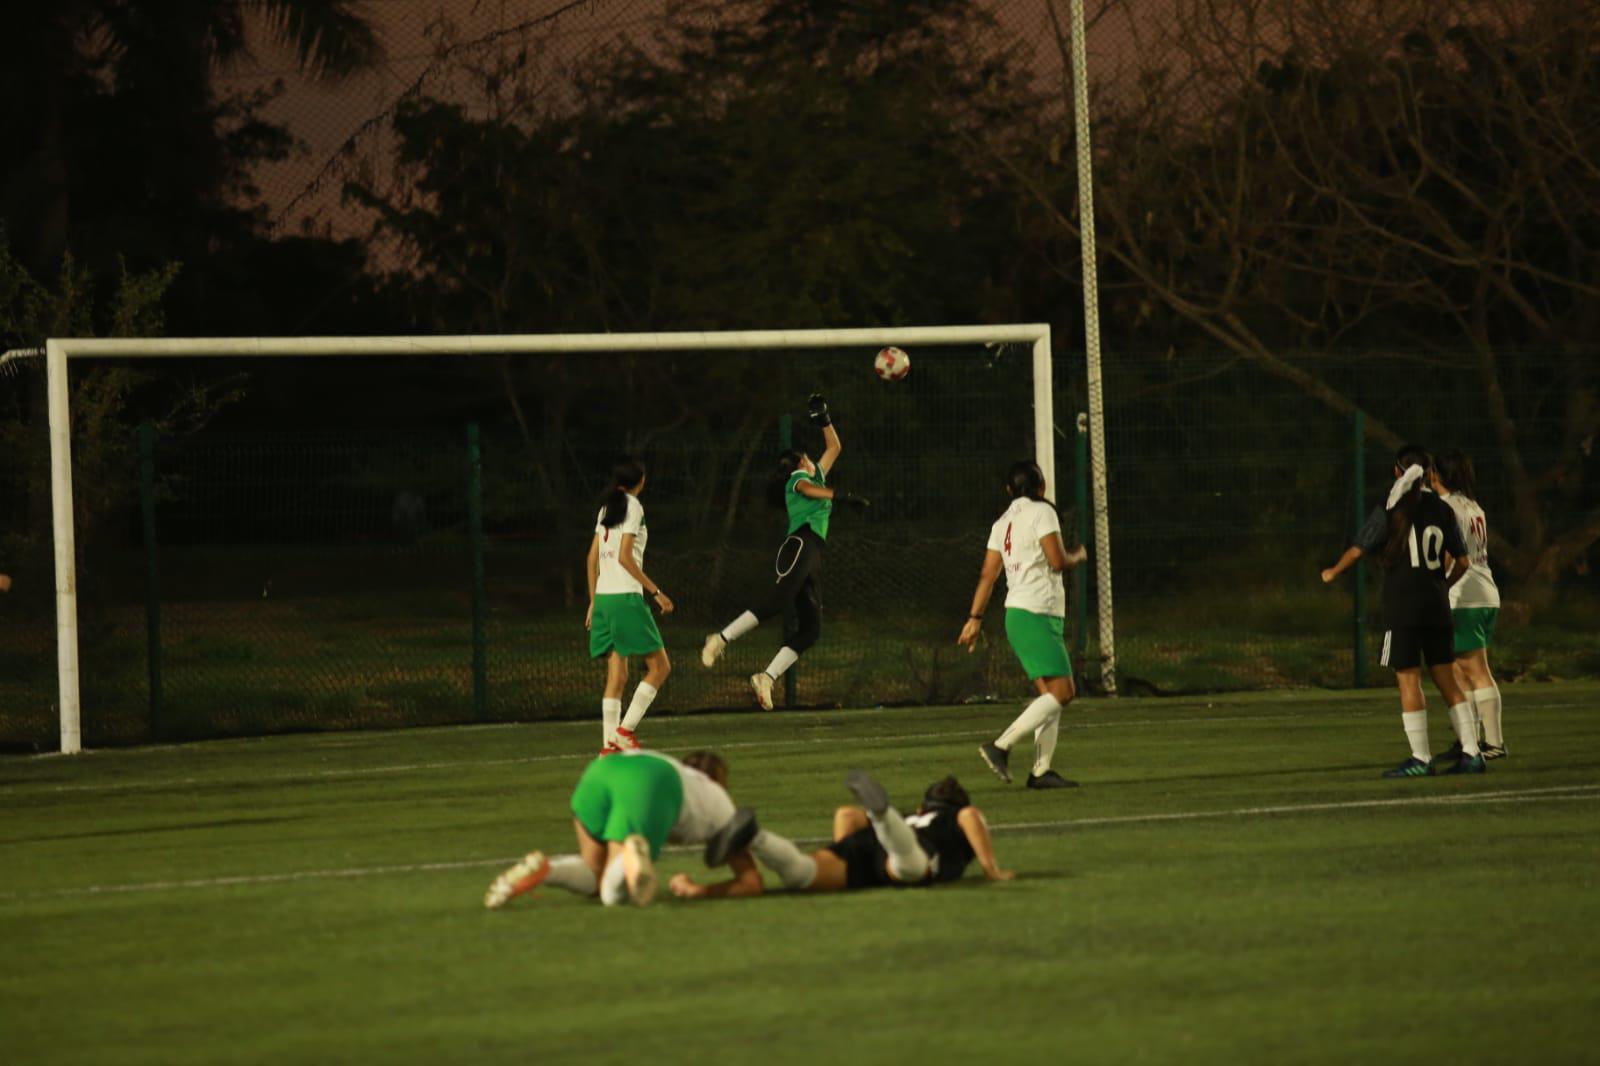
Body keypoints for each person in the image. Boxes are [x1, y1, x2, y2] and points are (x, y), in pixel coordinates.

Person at [1321, 445, 1483, 777]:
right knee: (1446, 678)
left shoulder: (1392, 506)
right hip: (1436, 606)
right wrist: (1442, 585)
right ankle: (1472, 752)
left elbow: (1359, 547)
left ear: (1398, 472)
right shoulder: (1442, 508)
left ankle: (1421, 759)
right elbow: (1463, 562)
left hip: (1404, 607)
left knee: (1408, 680)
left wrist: (1333, 572)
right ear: (1428, 475)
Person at [700, 394, 868, 710]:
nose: (810, 461)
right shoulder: (797, 480)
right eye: (805, 458)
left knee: (811, 630)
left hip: (814, 552)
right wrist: (840, 496)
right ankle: (719, 639)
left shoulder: (815, 474)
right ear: (798, 464)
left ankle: (767, 676)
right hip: (800, 544)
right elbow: (809, 490)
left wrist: (824, 419)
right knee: (777, 602)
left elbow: (834, 448)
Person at [669, 771, 1012, 899]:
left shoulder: (915, 817)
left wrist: (842, 850)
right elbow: (969, 816)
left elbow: (846, 814)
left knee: (801, 876)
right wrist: (989, 868)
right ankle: (880, 814)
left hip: (868, 849)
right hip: (908, 850)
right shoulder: (958, 817)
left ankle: (756, 837)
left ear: (922, 809)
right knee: (909, 869)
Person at [484, 750, 759, 909]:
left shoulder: (683, 774)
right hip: (649, 782)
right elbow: (751, 883)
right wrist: (700, 891)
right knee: (611, 895)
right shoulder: (722, 807)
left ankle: (547, 870)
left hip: (602, 770)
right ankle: (630, 851)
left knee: (594, 873)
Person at [956, 460, 1088, 789]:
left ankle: (1041, 772)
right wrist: (1078, 555)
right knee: (1064, 692)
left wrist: (974, 618)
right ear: (1041, 487)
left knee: (1050, 697)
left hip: (1018, 614)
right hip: (1036, 613)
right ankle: (1000, 746)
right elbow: (1057, 561)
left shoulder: (1002, 522)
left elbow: (988, 574)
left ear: (1008, 491)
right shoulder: (1042, 511)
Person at [586, 457, 674, 754]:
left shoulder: (606, 508)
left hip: (605, 600)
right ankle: (623, 733)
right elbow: (625, 556)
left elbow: (591, 559)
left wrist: (592, 601)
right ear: (641, 481)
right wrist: (656, 591)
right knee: (660, 667)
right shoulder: (633, 506)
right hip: (625, 597)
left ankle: (607, 751)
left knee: (618, 677)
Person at [1432, 449, 1506, 760]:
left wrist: (1436, 586)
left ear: (1437, 474)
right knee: (1459, 670)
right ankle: (1470, 742)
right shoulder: (1472, 506)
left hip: (1463, 596)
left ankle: (1492, 743)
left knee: (1474, 669)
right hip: (1483, 591)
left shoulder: (1446, 508)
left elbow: (1450, 554)